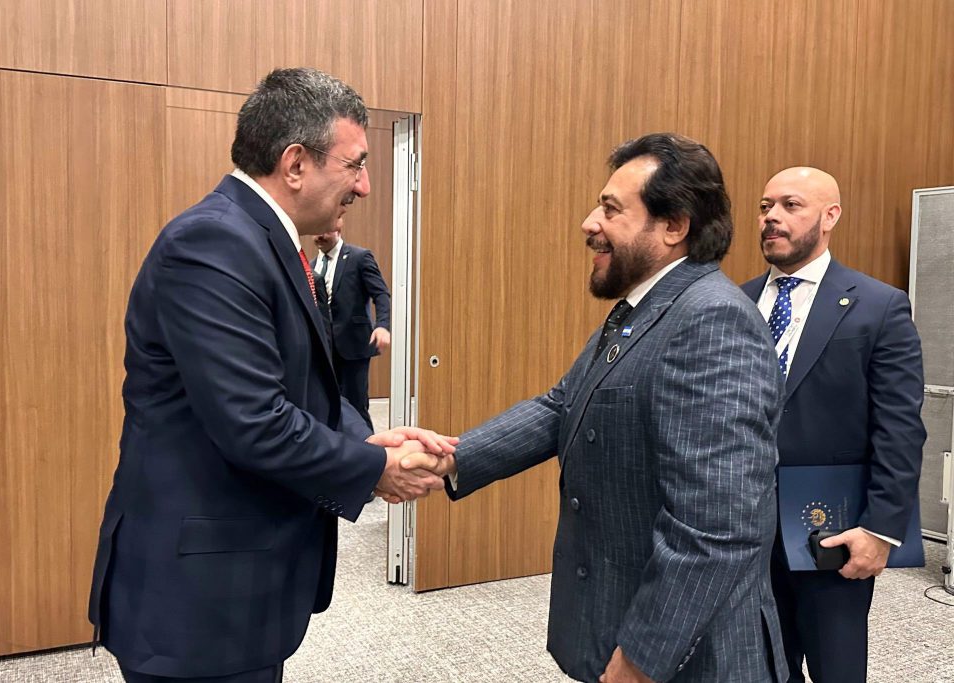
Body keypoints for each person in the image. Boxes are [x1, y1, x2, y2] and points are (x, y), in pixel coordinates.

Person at [87, 67, 455, 683]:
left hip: (237, 588)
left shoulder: (261, 239)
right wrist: (375, 469)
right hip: (197, 603)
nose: (364, 186)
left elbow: (296, 382)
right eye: (356, 165)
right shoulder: (212, 243)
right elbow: (254, 420)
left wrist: (365, 437)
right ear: (295, 164)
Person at [430, 133, 789, 682]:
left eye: (611, 209)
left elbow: (716, 524)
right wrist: (451, 457)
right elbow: (561, 405)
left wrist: (644, 657)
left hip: (690, 655)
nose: (589, 223)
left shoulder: (712, 321)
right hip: (618, 606)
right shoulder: (641, 310)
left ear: (674, 226)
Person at [740, 167, 925, 683]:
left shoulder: (879, 306)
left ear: (830, 216)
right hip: (742, 532)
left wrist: (881, 529)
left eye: (790, 205)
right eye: (765, 206)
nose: (771, 217)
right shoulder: (735, 303)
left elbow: (900, 428)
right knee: (757, 668)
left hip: (830, 529)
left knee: (836, 668)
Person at [312, 228, 391, 429]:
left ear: (337, 228)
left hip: (353, 345)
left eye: (324, 231)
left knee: (356, 407)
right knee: (327, 406)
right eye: (315, 232)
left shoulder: (359, 257)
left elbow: (381, 294)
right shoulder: (312, 266)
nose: (319, 236)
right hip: (324, 348)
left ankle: (368, 446)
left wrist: (382, 326)